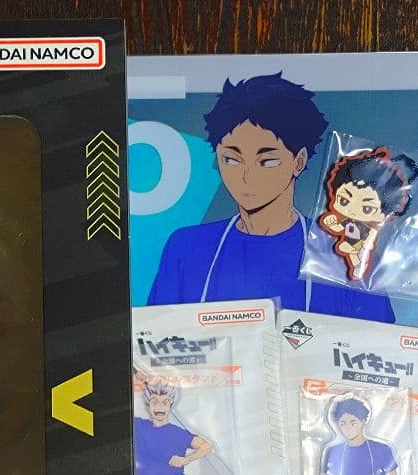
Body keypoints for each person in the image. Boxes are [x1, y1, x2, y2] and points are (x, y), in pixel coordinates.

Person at [148, 73, 395, 323]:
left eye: (267, 161)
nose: (247, 176)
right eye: (231, 159)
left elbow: (377, 341)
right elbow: (156, 337)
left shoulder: (344, 253)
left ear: (298, 161)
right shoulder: (187, 248)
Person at [319, 147, 418, 280]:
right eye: (344, 200)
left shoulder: (369, 228)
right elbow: (337, 228)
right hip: (351, 240)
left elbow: (366, 235)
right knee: (350, 251)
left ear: (385, 214)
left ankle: (359, 261)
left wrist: (365, 242)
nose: (353, 210)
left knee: (356, 250)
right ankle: (358, 262)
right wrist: (331, 223)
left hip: (361, 240)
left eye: (367, 208)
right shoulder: (345, 220)